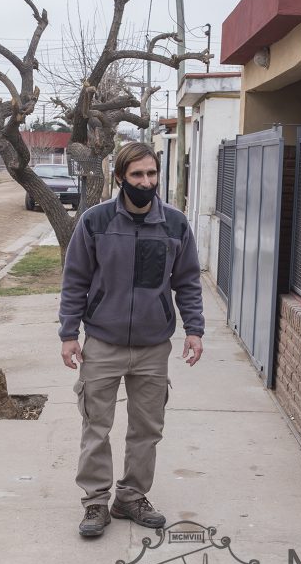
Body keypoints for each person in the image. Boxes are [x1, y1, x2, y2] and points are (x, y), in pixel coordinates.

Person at [59, 142, 204, 538]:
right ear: (120, 177)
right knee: (96, 426)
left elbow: (188, 281)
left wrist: (194, 328)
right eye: (137, 175)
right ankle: (94, 503)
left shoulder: (174, 225)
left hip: (153, 346)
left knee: (147, 429)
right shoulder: (95, 221)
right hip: (103, 342)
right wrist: (69, 333)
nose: (146, 182)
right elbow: (75, 280)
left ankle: (131, 496)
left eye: (152, 174)